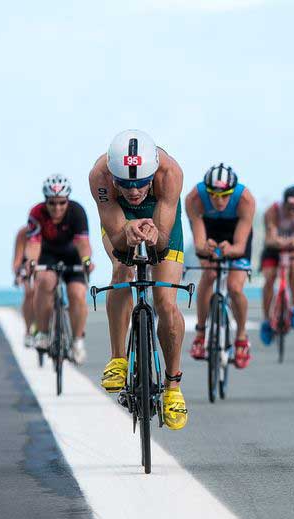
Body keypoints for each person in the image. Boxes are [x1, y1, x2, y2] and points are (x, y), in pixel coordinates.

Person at [88, 129, 188, 431]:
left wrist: (155, 236)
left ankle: (173, 386)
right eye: (126, 184)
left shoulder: (170, 173)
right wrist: (126, 233)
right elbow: (117, 238)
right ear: (113, 175)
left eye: (141, 183)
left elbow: (162, 243)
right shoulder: (100, 176)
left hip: (161, 215)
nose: (134, 191)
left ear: (153, 173)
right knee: (121, 269)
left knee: (165, 302)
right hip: (120, 217)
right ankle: (118, 358)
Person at [185, 163, 256, 368]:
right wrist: (204, 248)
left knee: (234, 287)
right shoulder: (194, 198)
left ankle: (241, 338)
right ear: (206, 191)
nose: (219, 200)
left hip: (235, 235)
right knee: (209, 275)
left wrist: (230, 250)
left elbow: (241, 246)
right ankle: (200, 334)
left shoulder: (245, 200)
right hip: (209, 231)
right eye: (213, 195)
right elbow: (199, 242)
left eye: (225, 195)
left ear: (232, 192)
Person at [24, 174, 93, 364]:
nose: (57, 208)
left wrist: (86, 260)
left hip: (73, 254)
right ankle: (44, 333)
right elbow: (33, 244)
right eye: (52, 203)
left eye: (62, 203)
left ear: (68, 200)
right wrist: (30, 262)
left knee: (77, 293)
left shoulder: (77, 211)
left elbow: (83, 243)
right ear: (45, 201)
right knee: (44, 281)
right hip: (48, 254)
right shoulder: (37, 212)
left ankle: (77, 341)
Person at [259, 186, 294, 345]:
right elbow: (271, 235)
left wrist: (292, 242)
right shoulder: (272, 211)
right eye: (289, 208)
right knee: (269, 278)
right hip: (272, 248)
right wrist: (278, 240)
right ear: (283, 204)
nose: (292, 211)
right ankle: (266, 319)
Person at [12, 224, 35, 347]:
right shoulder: (24, 233)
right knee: (29, 292)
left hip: (46, 263)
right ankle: (28, 331)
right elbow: (17, 259)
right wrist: (18, 274)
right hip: (26, 266)